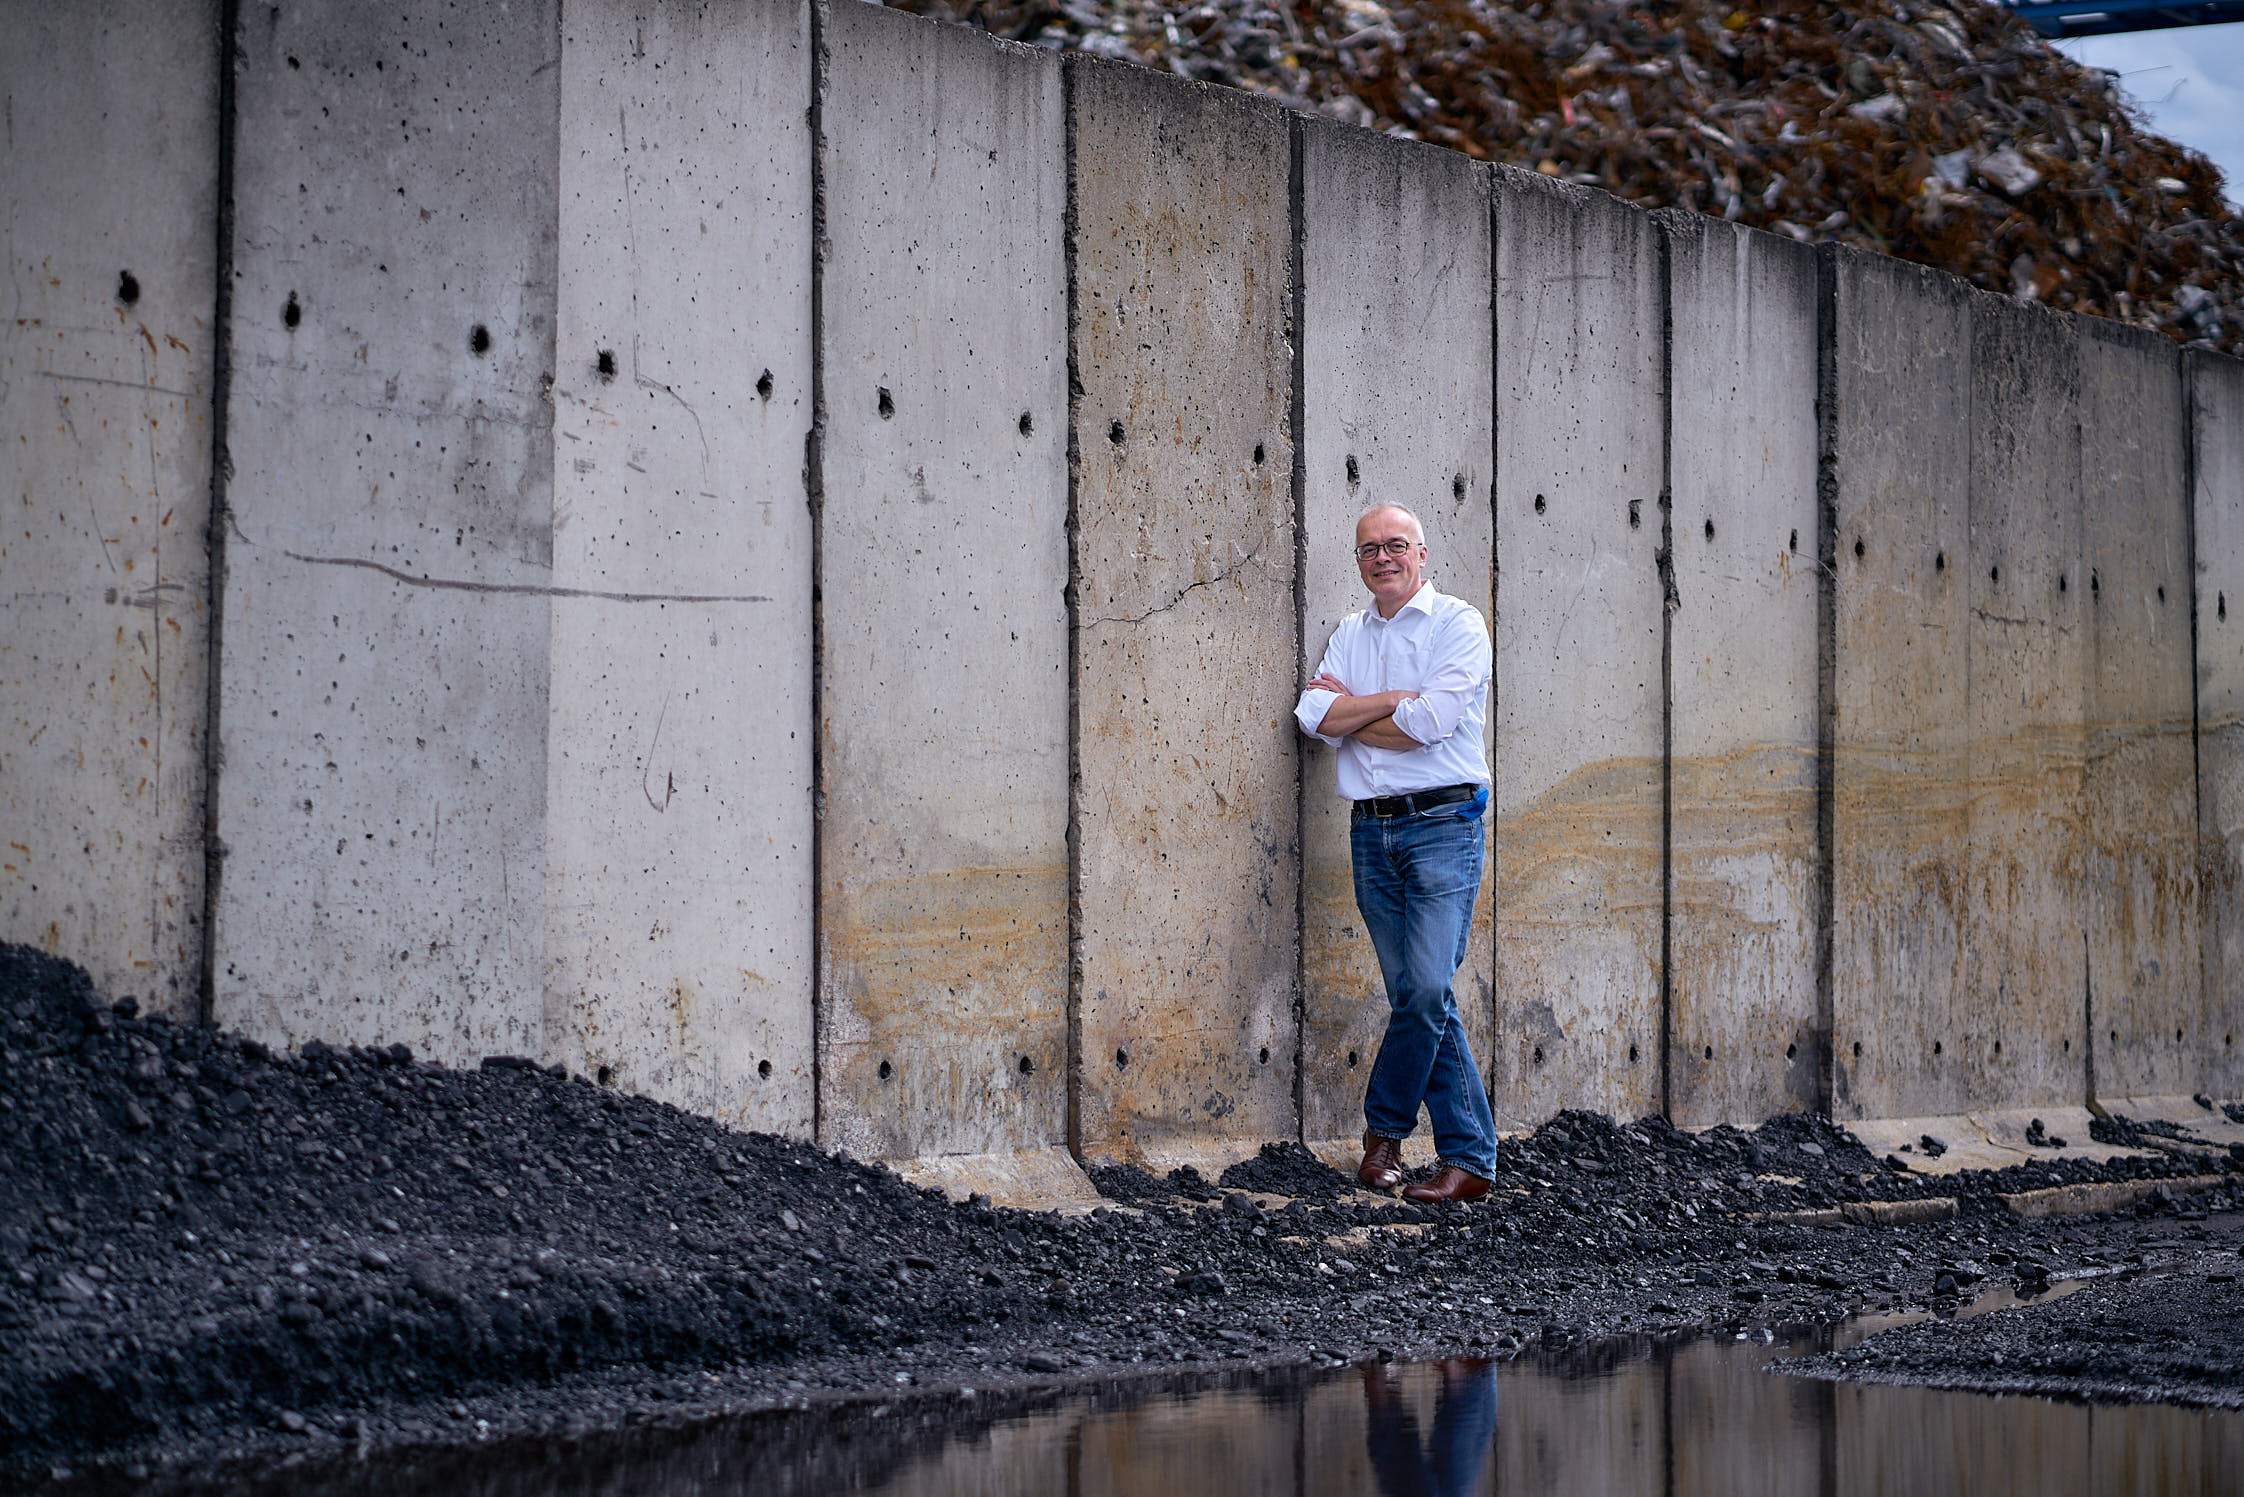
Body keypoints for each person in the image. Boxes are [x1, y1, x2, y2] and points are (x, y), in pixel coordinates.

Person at [1295, 503, 1497, 1205]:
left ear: (1422, 552)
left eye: (1395, 545)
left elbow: (1432, 722)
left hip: (1444, 826)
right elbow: (1312, 716)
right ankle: (1470, 1158)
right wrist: (1386, 704)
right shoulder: (1351, 633)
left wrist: (1355, 718)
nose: (1382, 557)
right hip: (1372, 833)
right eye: (1368, 549)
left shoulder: (1458, 626)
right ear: (1358, 562)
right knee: (1419, 995)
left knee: (1426, 992)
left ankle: (1383, 1137)